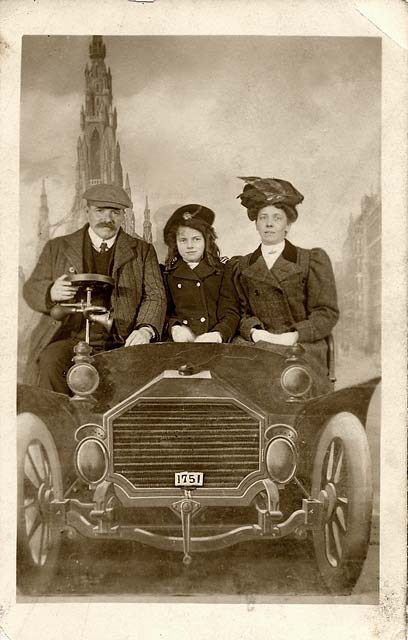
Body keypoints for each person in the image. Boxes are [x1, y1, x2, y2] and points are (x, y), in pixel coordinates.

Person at [23, 183, 166, 393]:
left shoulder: (143, 250)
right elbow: (31, 288)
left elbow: (155, 296)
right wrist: (50, 292)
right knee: (50, 363)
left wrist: (145, 329)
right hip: (69, 338)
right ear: (87, 211)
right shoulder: (58, 247)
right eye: (100, 211)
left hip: (122, 340)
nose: (107, 219)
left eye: (114, 212)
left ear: (123, 215)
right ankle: (59, 425)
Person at [230, 176, 339, 371]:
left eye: (277, 218)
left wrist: (295, 335)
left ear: (288, 225)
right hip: (257, 344)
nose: (269, 224)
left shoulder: (310, 261)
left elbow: (326, 313)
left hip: (300, 344)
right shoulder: (243, 265)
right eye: (263, 217)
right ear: (256, 223)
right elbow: (240, 312)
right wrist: (254, 332)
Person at [162, 204, 239, 343]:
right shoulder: (168, 274)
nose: (190, 246)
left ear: (206, 241)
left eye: (196, 239)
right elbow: (163, 312)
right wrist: (174, 328)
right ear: (175, 243)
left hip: (213, 342)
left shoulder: (222, 271)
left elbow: (230, 313)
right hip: (178, 343)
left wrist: (218, 334)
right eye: (183, 240)